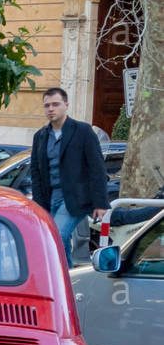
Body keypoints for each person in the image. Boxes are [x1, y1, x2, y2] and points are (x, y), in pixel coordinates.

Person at [30, 87, 110, 265]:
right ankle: (67, 278)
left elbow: (97, 168)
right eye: (47, 105)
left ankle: (64, 278)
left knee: (56, 235)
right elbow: (36, 172)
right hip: (49, 198)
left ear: (66, 105)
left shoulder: (83, 131)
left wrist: (100, 203)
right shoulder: (40, 137)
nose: (51, 109)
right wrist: (38, 204)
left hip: (75, 198)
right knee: (57, 239)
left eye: (56, 104)